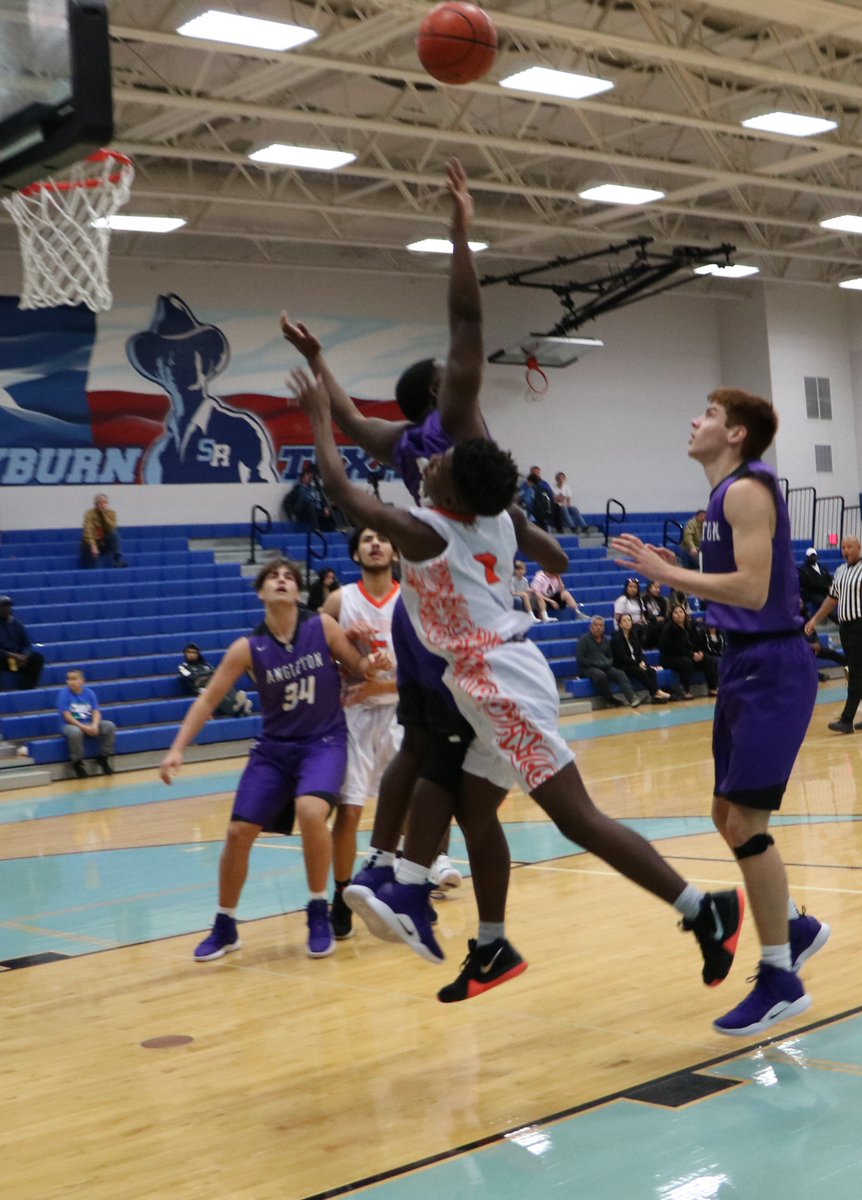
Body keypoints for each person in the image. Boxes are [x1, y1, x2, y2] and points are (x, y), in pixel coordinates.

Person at [297, 382, 746, 1009]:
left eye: (442, 464)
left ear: (450, 494)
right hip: (493, 678)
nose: (432, 462)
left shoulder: (430, 531)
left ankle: (705, 911)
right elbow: (552, 550)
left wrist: (320, 415)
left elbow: (343, 492)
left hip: (500, 685)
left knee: (576, 817)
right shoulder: (494, 516)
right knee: (474, 812)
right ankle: (492, 944)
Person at [282, 160, 527, 995]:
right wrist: (460, 224)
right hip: (452, 617)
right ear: (442, 389)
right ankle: (406, 877)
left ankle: (399, 872)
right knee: (436, 756)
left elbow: (346, 428)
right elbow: (457, 322)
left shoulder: (423, 443)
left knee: (430, 752)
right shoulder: (445, 431)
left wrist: (319, 373)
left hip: (444, 612)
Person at [613, 387, 827, 1038]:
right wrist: (684, 566)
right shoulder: (717, 499)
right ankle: (791, 922)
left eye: (706, 414)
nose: (693, 419)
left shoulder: (744, 491)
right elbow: (735, 583)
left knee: (746, 820)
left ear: (734, 433)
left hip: (771, 665)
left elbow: (754, 588)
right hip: (741, 663)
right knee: (722, 813)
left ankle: (779, 975)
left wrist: (667, 575)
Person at [159, 558, 383, 961]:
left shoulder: (322, 627)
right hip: (275, 749)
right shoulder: (247, 647)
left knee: (311, 811)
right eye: (273, 577)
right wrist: (177, 748)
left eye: (289, 578)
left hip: (324, 741)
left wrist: (373, 664)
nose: (282, 581)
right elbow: (209, 699)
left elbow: (357, 664)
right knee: (237, 832)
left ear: (298, 592)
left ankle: (318, 910)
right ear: (261, 592)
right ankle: (225, 924)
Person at [320, 526, 455, 943]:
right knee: (350, 810)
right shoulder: (340, 600)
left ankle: (412, 889)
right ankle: (341, 896)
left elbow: (432, 668)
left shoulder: (412, 599)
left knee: (414, 809)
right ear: (356, 553)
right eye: (366, 540)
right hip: (354, 716)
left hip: (403, 712)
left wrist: (384, 685)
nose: (375, 543)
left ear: (396, 552)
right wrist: (349, 665)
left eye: (382, 538)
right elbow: (319, 662)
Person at [127, 293, 278, 484]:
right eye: (166, 356)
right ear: (159, 371)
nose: (175, 362)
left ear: (204, 361)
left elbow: (264, 487)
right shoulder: (162, 452)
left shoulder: (239, 429)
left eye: (186, 353)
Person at [805, 536, 862, 734]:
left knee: (857, 672)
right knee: (861, 670)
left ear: (859, 547)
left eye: (849, 547)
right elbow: (832, 599)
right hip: (846, 626)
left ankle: (847, 718)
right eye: (843, 547)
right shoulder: (841, 571)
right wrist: (815, 619)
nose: (845, 550)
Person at [57, 668, 117, 778]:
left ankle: (103, 757)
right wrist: (85, 728)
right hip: (70, 725)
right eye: (69, 679)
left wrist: (94, 725)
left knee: (109, 726)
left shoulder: (90, 693)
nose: (71, 682)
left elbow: (96, 712)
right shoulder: (63, 694)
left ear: (82, 681)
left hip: (89, 722)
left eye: (74, 679)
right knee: (75, 732)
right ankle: (77, 762)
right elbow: (67, 716)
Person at [576, 614, 638, 707]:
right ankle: (609, 700)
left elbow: (611, 657)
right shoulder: (584, 640)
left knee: (619, 673)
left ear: (604, 628)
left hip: (605, 667)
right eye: (596, 625)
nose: (598, 628)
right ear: (591, 627)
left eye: (601, 625)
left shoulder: (606, 640)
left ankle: (632, 698)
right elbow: (580, 658)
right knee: (600, 675)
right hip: (588, 669)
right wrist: (595, 664)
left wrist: (606, 663)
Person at [658, 604, 718, 700]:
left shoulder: (690, 627)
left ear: (685, 614)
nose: (679, 614)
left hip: (689, 655)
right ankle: (686, 691)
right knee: (686, 662)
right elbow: (675, 648)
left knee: (709, 660)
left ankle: (712, 688)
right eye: (676, 612)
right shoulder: (668, 629)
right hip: (670, 657)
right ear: (672, 615)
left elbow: (699, 642)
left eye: (681, 612)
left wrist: (700, 652)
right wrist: (692, 654)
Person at [177, 643, 253, 717]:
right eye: (189, 652)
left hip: (212, 682)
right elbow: (192, 677)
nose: (191, 654)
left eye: (194, 652)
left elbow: (215, 672)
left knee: (225, 683)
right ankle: (237, 708)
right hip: (200, 688)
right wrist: (206, 675)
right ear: (185, 653)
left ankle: (237, 703)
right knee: (214, 692)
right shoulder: (183, 666)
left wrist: (204, 675)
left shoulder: (205, 664)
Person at [612, 613, 672, 703]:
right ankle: (657, 691)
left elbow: (640, 653)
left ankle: (654, 696)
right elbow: (622, 657)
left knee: (651, 671)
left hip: (636, 663)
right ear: (620, 624)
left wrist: (642, 661)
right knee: (640, 671)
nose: (627, 622)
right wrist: (638, 664)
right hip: (623, 665)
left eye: (629, 620)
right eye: (624, 620)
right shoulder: (616, 638)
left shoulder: (634, 636)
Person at [0, 596, 45, 691]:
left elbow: (26, 644)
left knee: (37, 658)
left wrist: (24, 656)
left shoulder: (17, 625)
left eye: (9, 606)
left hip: (18, 661)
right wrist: (12, 655)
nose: (7, 609)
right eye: (4, 607)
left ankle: (26, 689)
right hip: (3, 659)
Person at [79, 493, 127, 568]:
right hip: (92, 542)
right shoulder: (89, 513)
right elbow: (88, 530)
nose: (102, 505)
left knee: (114, 534)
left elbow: (112, 527)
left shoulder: (111, 513)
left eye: (105, 502)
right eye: (100, 503)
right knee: (88, 546)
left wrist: (105, 515)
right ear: (96, 504)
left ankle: (117, 559)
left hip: (104, 542)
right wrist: (93, 546)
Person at [284, 465, 336, 532]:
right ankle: (316, 529)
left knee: (333, 507)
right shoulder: (298, 489)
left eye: (310, 476)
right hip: (303, 512)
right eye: (307, 476)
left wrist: (326, 507)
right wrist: (291, 514)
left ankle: (335, 530)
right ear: (303, 477)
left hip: (316, 512)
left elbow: (322, 499)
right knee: (311, 504)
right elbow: (287, 502)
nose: (309, 478)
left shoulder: (315, 489)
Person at [798, 547, 833, 612]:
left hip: (824, 591)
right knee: (825, 603)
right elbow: (808, 584)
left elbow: (828, 577)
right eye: (811, 556)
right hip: (812, 594)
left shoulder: (821, 567)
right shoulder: (803, 569)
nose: (813, 557)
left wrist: (830, 584)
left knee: (834, 597)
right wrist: (824, 586)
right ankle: (837, 620)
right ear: (807, 557)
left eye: (814, 555)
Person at [640, 580, 671, 648]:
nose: (658, 590)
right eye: (655, 587)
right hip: (648, 622)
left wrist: (662, 618)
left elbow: (664, 615)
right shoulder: (643, 599)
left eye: (659, 588)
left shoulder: (662, 600)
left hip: (660, 622)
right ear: (649, 588)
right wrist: (654, 619)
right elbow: (643, 615)